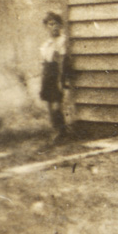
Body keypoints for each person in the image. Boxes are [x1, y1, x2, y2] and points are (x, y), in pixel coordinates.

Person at [39, 12, 69, 140]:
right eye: (51, 24)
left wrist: (61, 79)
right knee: (50, 104)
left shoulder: (63, 41)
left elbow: (62, 61)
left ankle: (62, 131)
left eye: (56, 24)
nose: (54, 27)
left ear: (61, 25)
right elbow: (44, 61)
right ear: (46, 27)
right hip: (47, 75)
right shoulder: (46, 44)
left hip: (58, 74)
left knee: (57, 104)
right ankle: (56, 129)